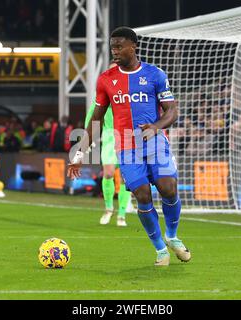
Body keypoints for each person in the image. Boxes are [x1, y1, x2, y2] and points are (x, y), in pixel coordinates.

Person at [67, 27, 191, 266]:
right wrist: (80, 153)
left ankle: (172, 236)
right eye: (112, 46)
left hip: (154, 140)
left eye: (119, 46)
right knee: (142, 194)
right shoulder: (105, 80)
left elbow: (172, 110)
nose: (115, 51)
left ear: (133, 46)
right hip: (126, 145)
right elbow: (96, 119)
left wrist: (156, 126)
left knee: (168, 187)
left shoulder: (155, 74)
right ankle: (160, 250)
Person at [84, 65, 132, 226]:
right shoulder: (104, 92)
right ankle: (108, 209)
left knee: (127, 177)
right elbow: (93, 114)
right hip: (110, 136)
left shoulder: (130, 91)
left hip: (128, 135)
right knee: (109, 173)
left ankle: (122, 214)